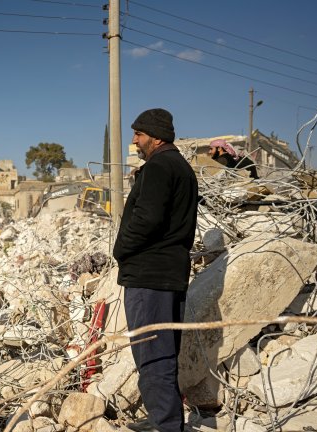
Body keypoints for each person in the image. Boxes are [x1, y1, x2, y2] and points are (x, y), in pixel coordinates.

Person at [112, 108, 198, 432]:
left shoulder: (159, 166)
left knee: (153, 358)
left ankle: (166, 426)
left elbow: (146, 220)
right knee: (163, 355)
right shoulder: (182, 168)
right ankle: (167, 420)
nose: (134, 140)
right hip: (170, 275)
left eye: (139, 134)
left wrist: (120, 250)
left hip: (150, 278)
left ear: (156, 136)